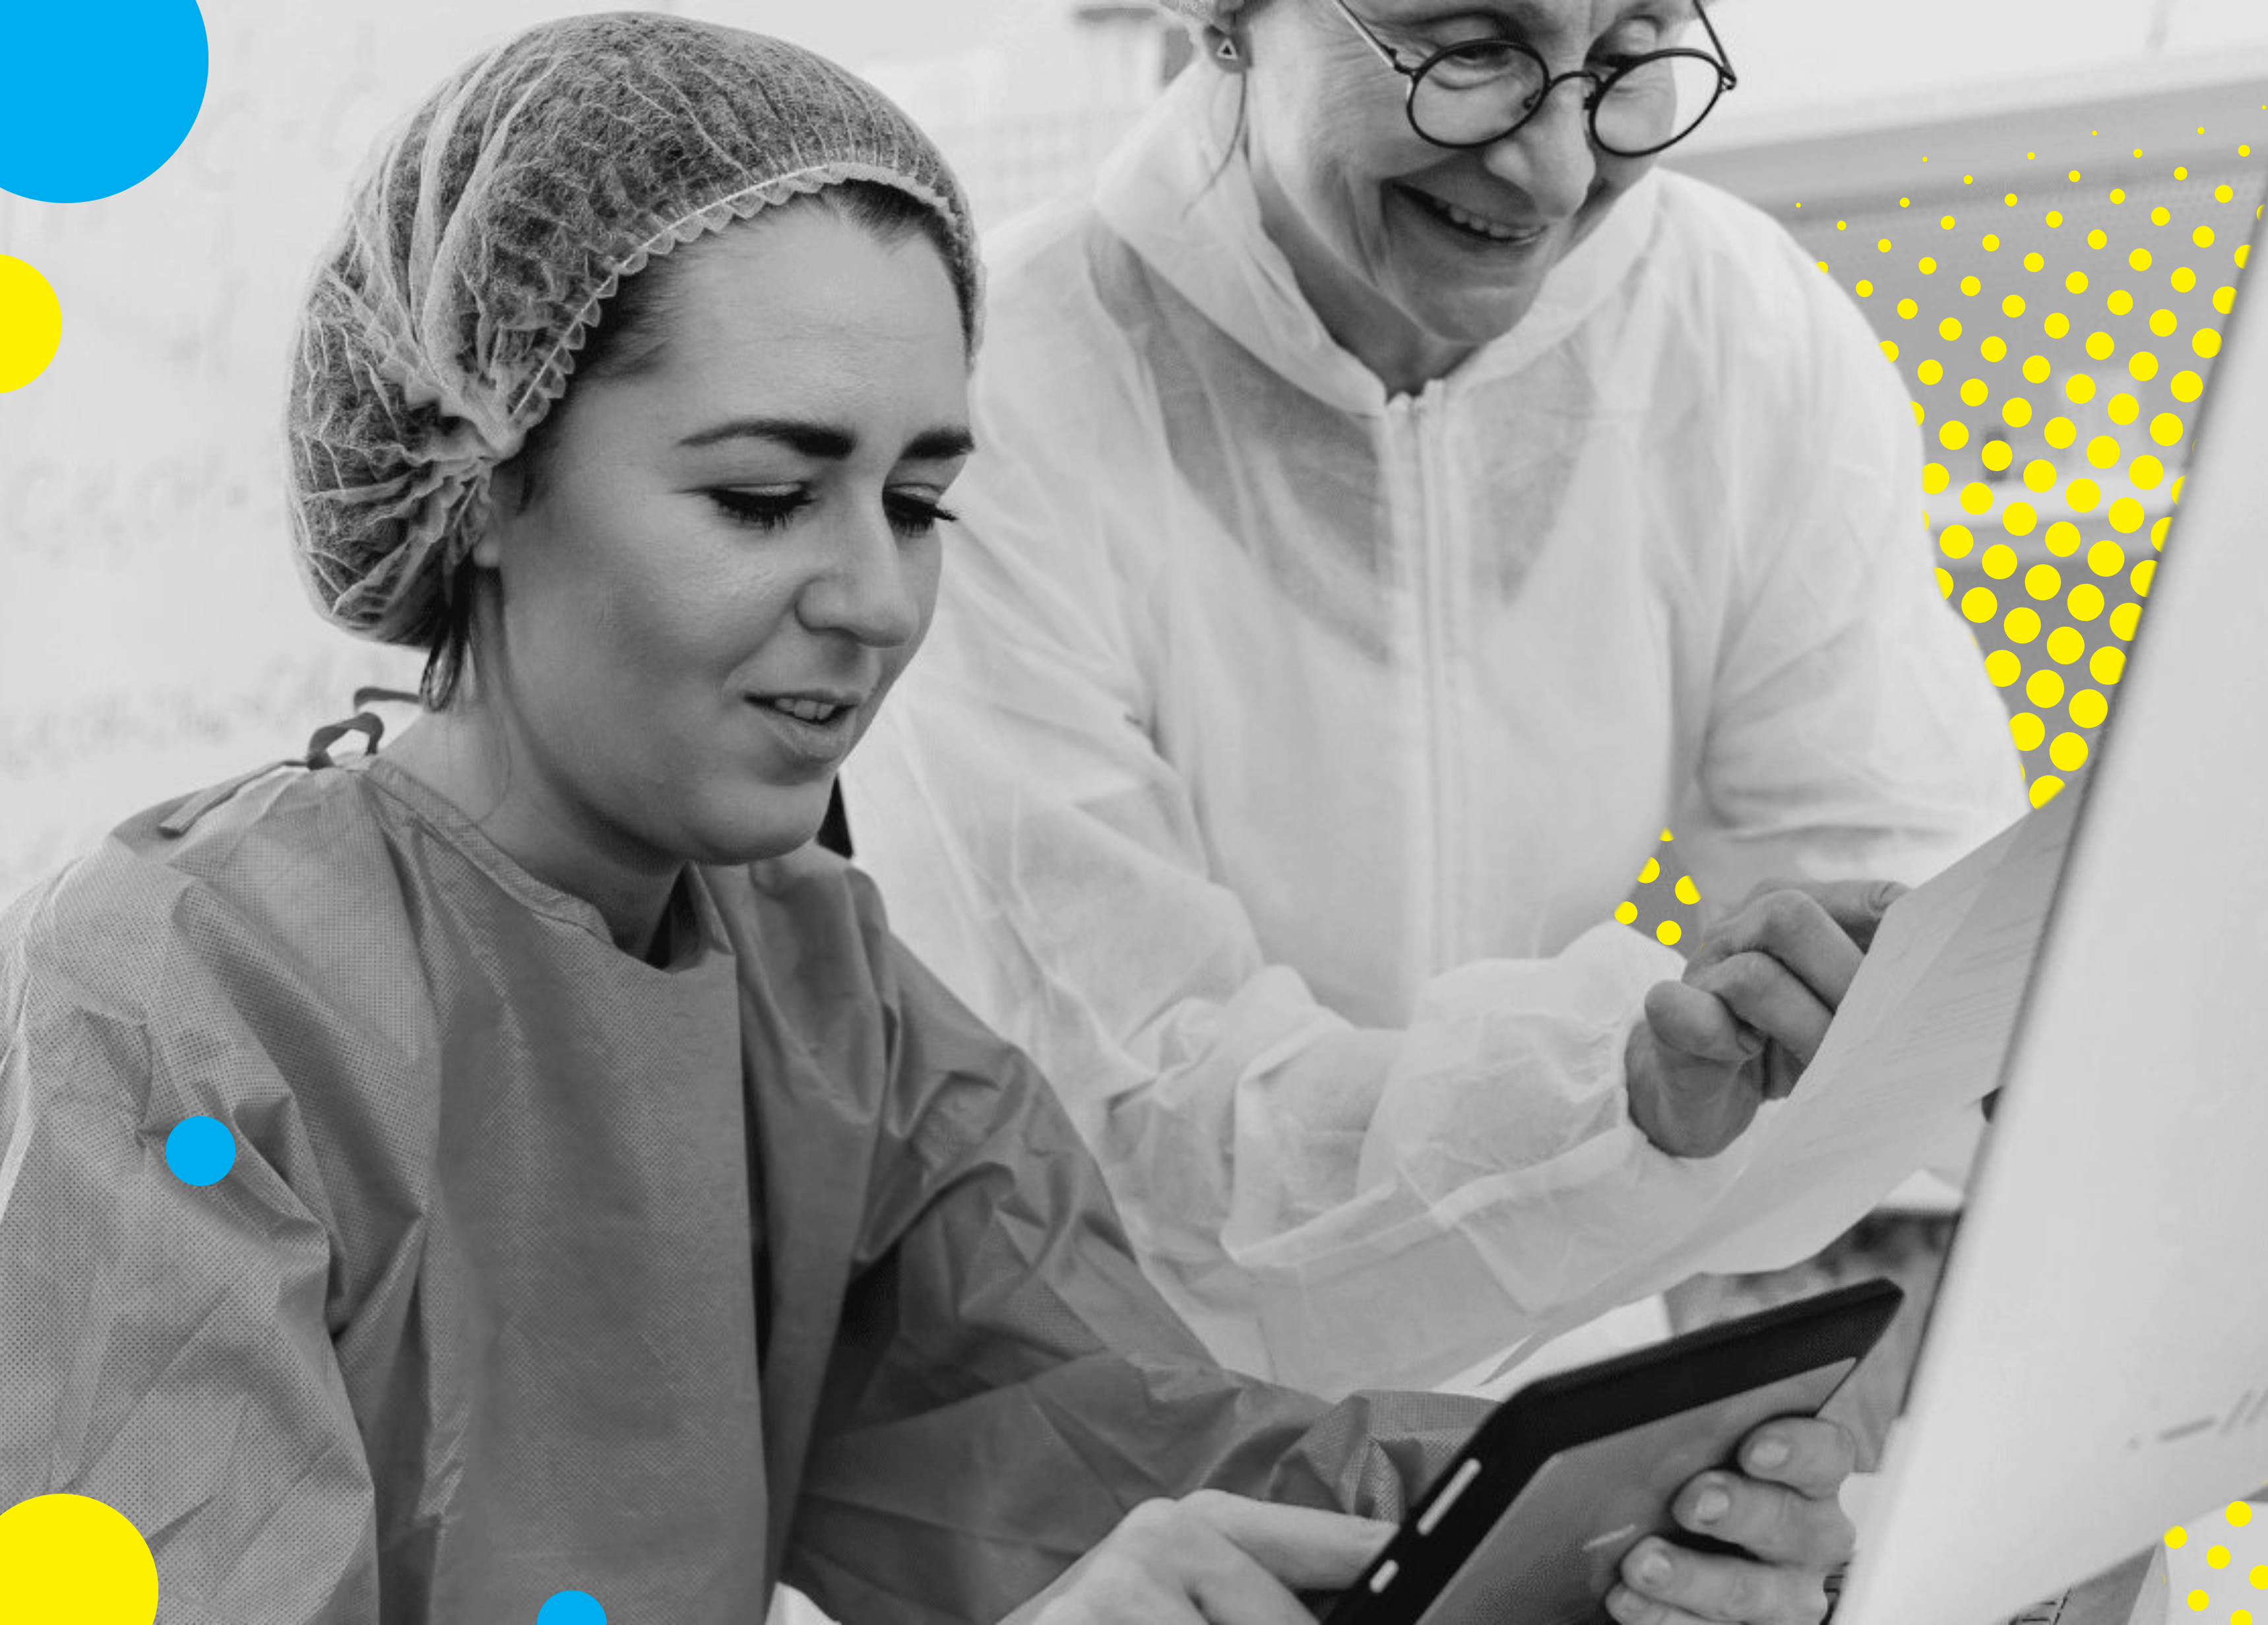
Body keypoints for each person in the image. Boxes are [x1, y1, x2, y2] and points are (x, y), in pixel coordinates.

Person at [0, 16, 1858, 1624]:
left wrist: (1628, 1518)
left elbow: (1123, 1447)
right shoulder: (177, 994)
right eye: (759, 494)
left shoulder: (823, 991)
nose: (873, 597)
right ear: (480, 482)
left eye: (915, 501)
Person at [842, 0, 2029, 1393]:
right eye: (1470, 46)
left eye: (1627, 53)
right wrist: (1620, 1094)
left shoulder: (1731, 331)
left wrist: (1826, 1020)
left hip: (1562, 1357)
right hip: (1128, 1415)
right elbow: (1149, 1125)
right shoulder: (1001, 407)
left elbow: (1895, 890)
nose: (1561, 169)